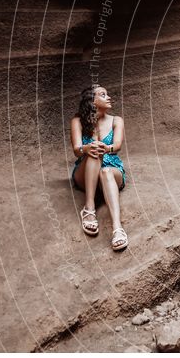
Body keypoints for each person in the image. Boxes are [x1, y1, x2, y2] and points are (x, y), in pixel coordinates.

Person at [70, 84, 128, 251]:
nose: (108, 97)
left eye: (107, 94)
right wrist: (87, 149)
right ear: (92, 101)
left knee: (106, 170)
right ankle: (89, 209)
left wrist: (106, 148)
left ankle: (117, 229)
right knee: (93, 151)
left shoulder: (117, 120)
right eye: (103, 95)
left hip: (111, 169)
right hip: (85, 170)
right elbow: (76, 150)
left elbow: (117, 146)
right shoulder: (77, 121)